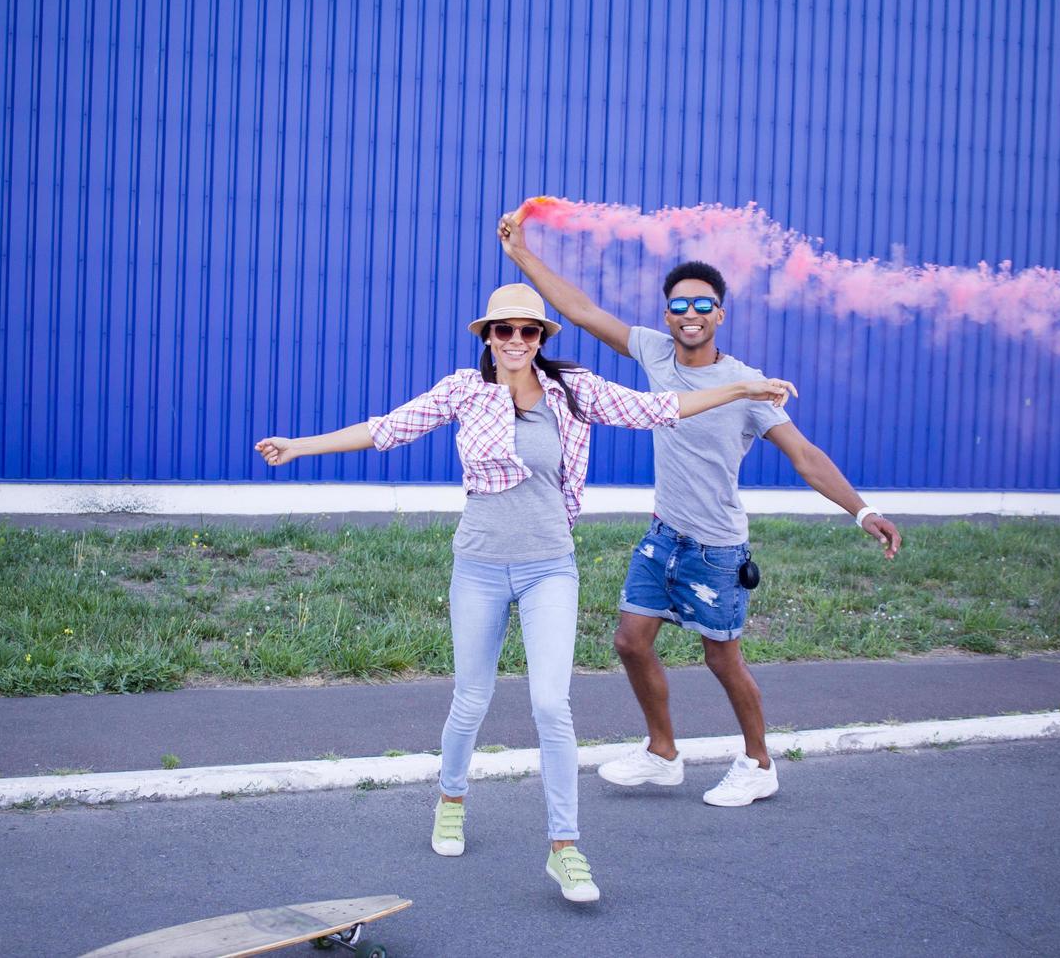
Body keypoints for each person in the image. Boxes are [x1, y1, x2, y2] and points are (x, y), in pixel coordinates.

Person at [256, 283, 795, 901]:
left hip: (549, 568)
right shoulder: (465, 390)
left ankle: (565, 847)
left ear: (541, 339)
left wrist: (744, 388)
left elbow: (660, 409)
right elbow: (386, 431)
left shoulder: (573, 391)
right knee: (471, 699)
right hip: (480, 566)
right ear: (487, 337)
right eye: (504, 331)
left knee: (550, 706)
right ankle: (451, 799)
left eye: (529, 331)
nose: (516, 341)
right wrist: (300, 446)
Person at [499, 213, 903, 808]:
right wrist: (522, 255)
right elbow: (581, 311)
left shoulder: (747, 384)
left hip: (717, 549)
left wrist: (863, 511)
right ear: (667, 315)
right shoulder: (654, 352)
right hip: (664, 536)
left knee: (721, 658)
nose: (691, 315)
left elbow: (805, 455)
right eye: (680, 306)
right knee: (631, 641)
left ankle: (759, 763)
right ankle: (663, 754)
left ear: (720, 314)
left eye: (703, 306)